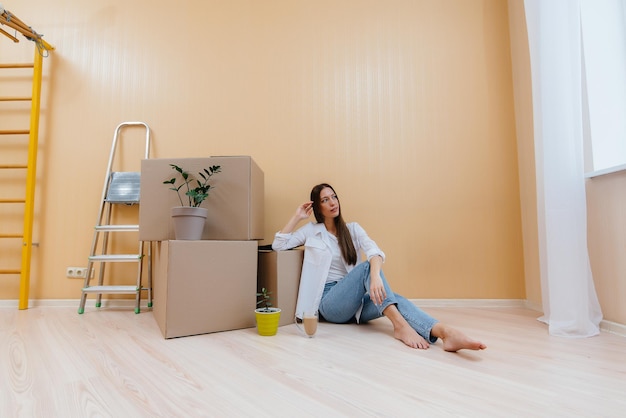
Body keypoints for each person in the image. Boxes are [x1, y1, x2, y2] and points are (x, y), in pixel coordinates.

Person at [272, 183, 486, 352]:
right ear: (318, 208)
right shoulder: (312, 230)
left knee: (395, 298)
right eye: (325, 200)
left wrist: (375, 278)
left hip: (353, 304)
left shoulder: (353, 230)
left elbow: (375, 252)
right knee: (369, 271)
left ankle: (444, 333)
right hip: (329, 303)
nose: (332, 202)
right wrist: (297, 217)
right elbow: (278, 245)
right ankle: (400, 327)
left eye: (334, 197)